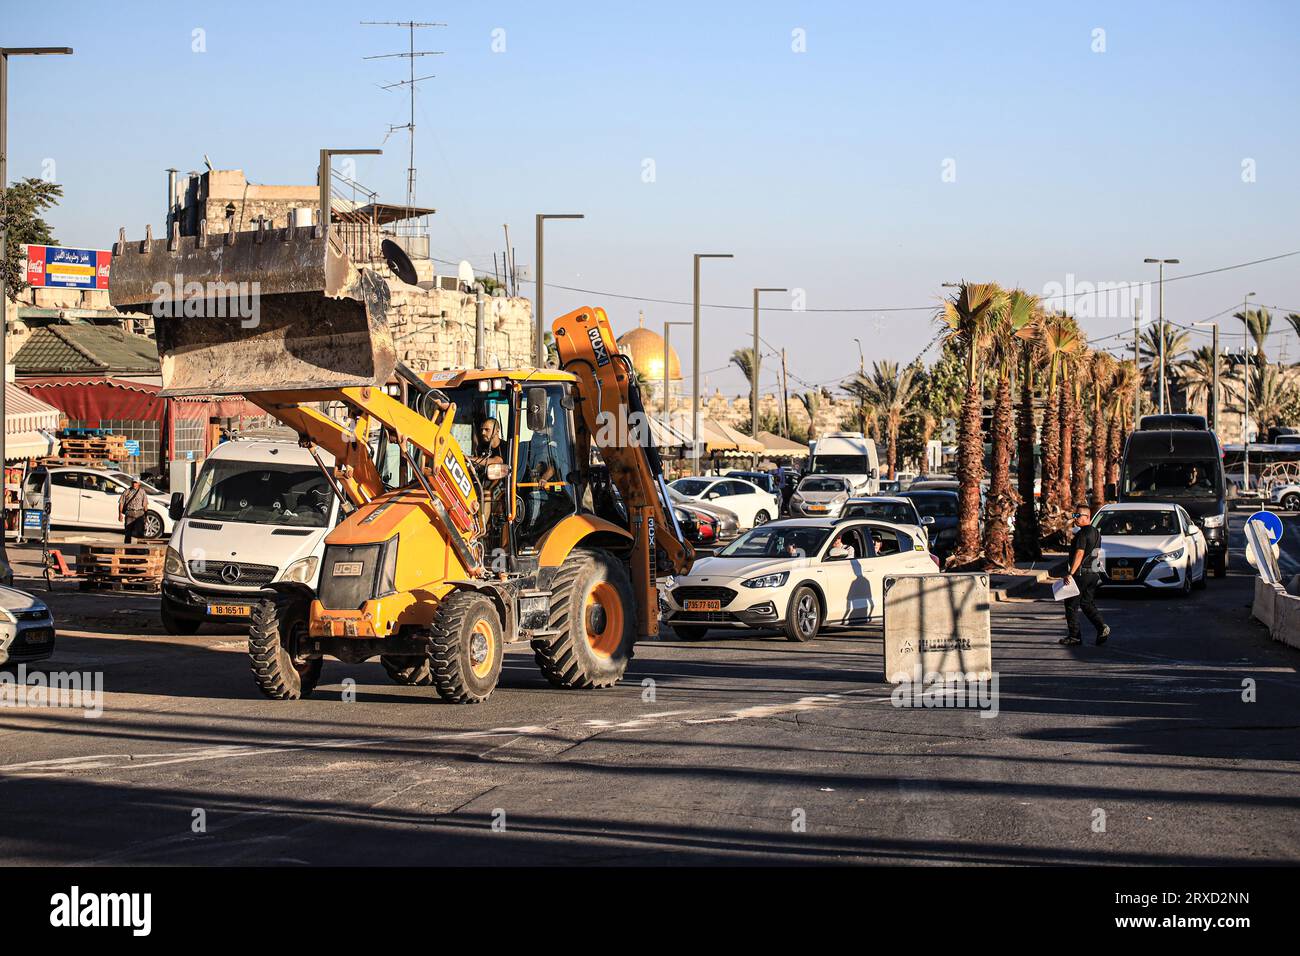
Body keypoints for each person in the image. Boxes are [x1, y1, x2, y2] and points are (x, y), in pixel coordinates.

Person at [1059, 503, 1110, 646]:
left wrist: (1070, 573)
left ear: (1087, 517)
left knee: (1071, 604)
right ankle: (1101, 627)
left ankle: (1074, 636)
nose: (1075, 518)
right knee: (1087, 603)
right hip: (1093, 573)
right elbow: (1097, 553)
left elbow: (1080, 553)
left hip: (1081, 573)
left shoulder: (1082, 533)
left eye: (1077, 515)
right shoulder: (1096, 533)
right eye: (1074, 515)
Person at [118, 478, 150, 544]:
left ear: (139, 483)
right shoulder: (127, 491)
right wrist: (120, 514)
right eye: (133, 482)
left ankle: (140, 549)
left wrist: (146, 516)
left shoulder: (142, 492)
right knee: (128, 532)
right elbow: (121, 503)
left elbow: (145, 505)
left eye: (135, 483)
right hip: (129, 513)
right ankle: (127, 548)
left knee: (140, 532)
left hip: (139, 513)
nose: (134, 484)